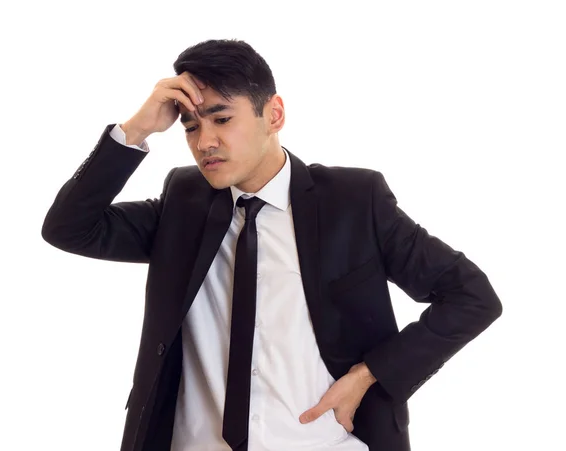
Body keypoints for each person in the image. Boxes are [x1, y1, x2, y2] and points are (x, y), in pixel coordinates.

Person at [41, 39, 502, 451]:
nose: (206, 141)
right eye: (190, 127)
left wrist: (370, 375)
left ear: (274, 115)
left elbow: (471, 297)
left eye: (222, 118)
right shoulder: (184, 203)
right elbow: (69, 228)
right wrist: (137, 129)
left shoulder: (353, 201)